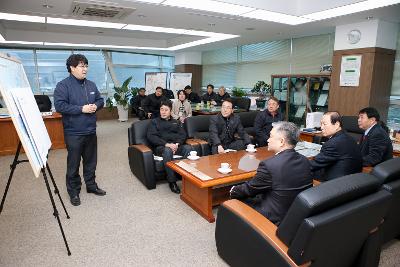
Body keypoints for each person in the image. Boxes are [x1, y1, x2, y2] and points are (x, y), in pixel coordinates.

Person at [230, 122, 312, 225]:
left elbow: (250, 189)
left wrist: (233, 190)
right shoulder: (305, 160)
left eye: (271, 136)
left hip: (275, 218)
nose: (268, 139)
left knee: (236, 198)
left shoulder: (269, 165)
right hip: (296, 212)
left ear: (282, 141)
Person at [54, 54, 106, 206]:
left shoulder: (91, 84)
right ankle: (74, 191)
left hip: (90, 130)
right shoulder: (63, 85)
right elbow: (60, 106)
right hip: (74, 132)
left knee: (91, 162)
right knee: (73, 164)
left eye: (86, 66)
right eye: (82, 66)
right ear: (72, 68)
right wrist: (81, 108)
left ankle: (91, 186)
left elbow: (100, 100)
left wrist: (97, 105)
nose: (85, 69)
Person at [146, 101, 191, 194]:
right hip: (161, 147)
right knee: (167, 151)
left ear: (170, 111)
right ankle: (172, 181)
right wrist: (167, 145)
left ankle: (185, 177)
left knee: (189, 149)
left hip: (175, 146)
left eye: (166, 110)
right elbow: (151, 136)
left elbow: (183, 135)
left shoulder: (176, 122)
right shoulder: (154, 122)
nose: (163, 112)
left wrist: (177, 145)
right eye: (161, 109)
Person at [310, 111, 362, 181]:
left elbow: (314, 164)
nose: (321, 127)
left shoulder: (333, 143)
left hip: (336, 183)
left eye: (324, 124)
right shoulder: (348, 137)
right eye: (321, 124)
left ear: (337, 125)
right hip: (352, 178)